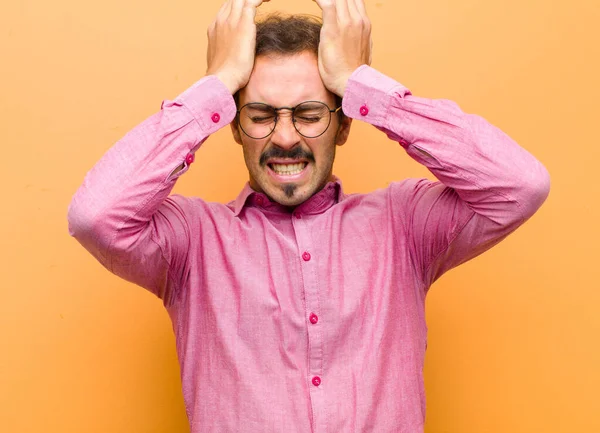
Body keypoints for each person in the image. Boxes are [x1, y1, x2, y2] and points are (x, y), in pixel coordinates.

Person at [67, 0, 550, 431]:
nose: (284, 137)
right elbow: (96, 216)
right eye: (260, 114)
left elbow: (519, 185)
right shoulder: (190, 242)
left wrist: (366, 87)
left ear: (343, 125)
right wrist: (212, 89)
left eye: (310, 112)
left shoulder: (404, 225)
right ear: (233, 127)